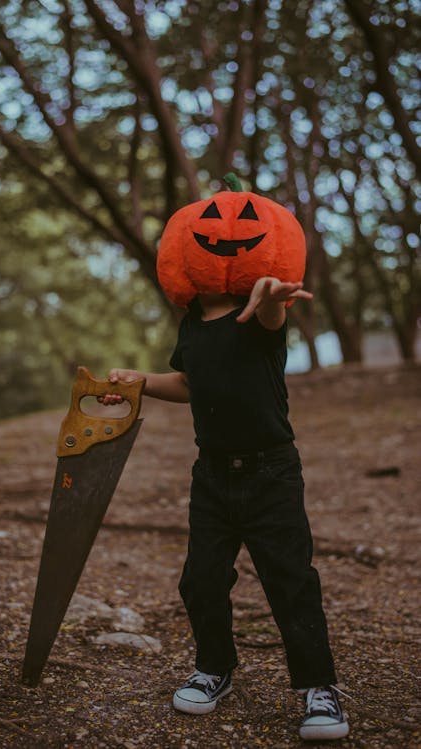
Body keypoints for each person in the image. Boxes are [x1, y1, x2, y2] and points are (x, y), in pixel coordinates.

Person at [99, 276, 349, 741]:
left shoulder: (257, 314)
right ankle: (215, 669)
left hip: (270, 473)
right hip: (212, 476)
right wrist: (138, 382)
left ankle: (319, 686)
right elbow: (188, 382)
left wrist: (272, 298)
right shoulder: (192, 323)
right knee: (201, 579)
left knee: (290, 580)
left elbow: (273, 318)